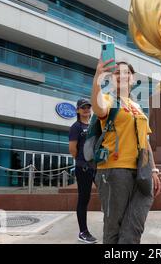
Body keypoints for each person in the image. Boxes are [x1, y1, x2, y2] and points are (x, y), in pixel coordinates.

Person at [91, 58, 161, 244]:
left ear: (133, 78)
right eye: (117, 73)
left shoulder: (137, 107)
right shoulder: (107, 99)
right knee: (114, 224)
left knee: (135, 220)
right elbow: (98, 108)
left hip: (140, 171)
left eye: (126, 73)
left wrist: (153, 169)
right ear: (112, 79)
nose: (122, 76)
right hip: (114, 170)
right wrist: (98, 78)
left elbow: (145, 141)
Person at [69, 98, 97, 243]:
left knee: (107, 195)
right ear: (78, 110)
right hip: (83, 168)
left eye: (88, 107)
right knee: (84, 199)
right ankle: (83, 232)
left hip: (97, 167)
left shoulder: (94, 124)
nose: (86, 109)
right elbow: (72, 150)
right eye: (83, 107)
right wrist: (82, 161)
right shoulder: (76, 127)